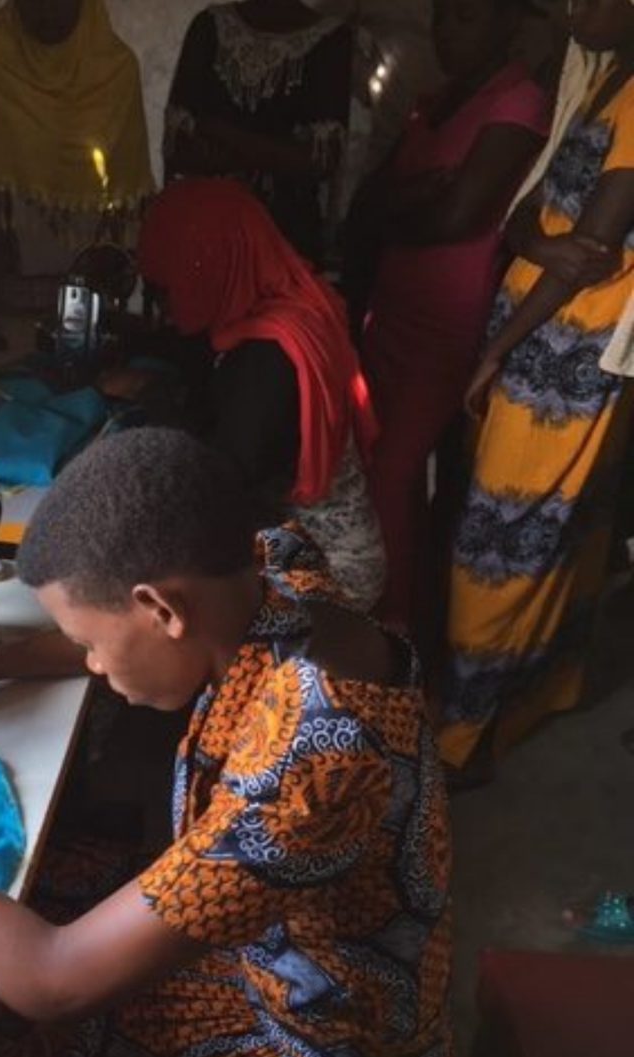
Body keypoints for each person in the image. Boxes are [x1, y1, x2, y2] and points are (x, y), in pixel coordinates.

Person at [0, 427, 453, 1057]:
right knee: (30, 886)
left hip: (319, 1041)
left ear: (162, 610)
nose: (94, 665)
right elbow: (139, 626)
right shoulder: (273, 573)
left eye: (90, 644)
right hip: (274, 943)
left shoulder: (309, 772)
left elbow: (53, 981)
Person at [440, 0, 634, 779]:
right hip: (547, 334)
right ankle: (531, 697)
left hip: (566, 353)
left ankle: (459, 738)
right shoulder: (604, 79)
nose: (571, 9)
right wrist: (540, 244)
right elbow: (524, 218)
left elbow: (589, 247)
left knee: (501, 541)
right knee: (543, 532)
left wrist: (496, 349)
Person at [346, 0, 552, 633]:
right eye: (441, 17)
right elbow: (367, 204)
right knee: (381, 468)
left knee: (395, 470)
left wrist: (400, 210)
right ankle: (399, 608)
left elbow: (457, 217)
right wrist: (408, 203)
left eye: (465, 18)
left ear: (508, 24)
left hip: (448, 324)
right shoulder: (436, 100)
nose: (445, 33)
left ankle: (398, 626)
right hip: (394, 311)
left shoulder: (519, 101)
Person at [136, 177, 385, 611]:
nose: (166, 300)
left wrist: (151, 395)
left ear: (211, 262)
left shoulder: (270, 355)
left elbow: (219, 479)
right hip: (310, 541)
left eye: (171, 285)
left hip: (327, 572)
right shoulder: (289, 302)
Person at [0, 0, 154, 244]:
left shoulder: (116, 72)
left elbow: (122, 207)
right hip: (10, 256)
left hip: (90, 254)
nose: (48, 10)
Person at [163, 0, 354, 263]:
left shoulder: (332, 39)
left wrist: (222, 134)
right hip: (207, 240)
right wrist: (276, 154)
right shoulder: (210, 26)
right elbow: (177, 148)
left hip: (284, 245)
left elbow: (319, 161)